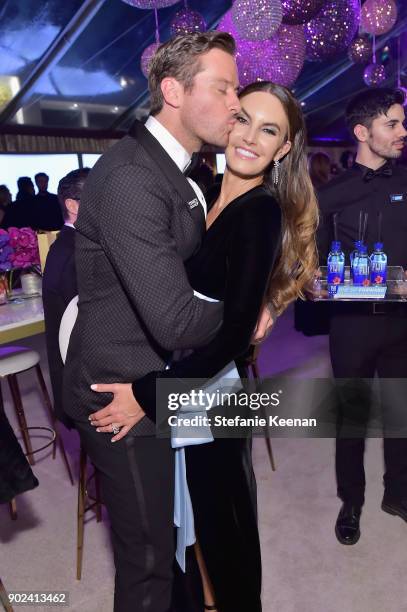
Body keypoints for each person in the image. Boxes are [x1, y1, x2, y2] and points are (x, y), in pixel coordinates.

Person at [62, 32, 276, 612]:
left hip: (158, 381)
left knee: (182, 539)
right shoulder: (134, 177)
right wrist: (244, 307)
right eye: (224, 87)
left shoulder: (180, 168)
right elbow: (179, 319)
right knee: (150, 562)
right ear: (173, 90)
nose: (237, 104)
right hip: (120, 390)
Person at [88, 82, 319, 611]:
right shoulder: (201, 189)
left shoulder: (260, 211)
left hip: (213, 393)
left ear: (283, 148)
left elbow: (234, 335)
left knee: (225, 529)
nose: (250, 138)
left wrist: (150, 393)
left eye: (270, 131)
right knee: (188, 523)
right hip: (191, 379)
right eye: (243, 120)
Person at [317, 88, 407, 545]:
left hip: (403, 326)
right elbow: (310, 270)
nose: (403, 132)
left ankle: (399, 492)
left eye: (402, 123)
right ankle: (351, 500)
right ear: (361, 132)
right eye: (392, 124)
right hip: (352, 325)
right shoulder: (329, 195)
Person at [42, 168, 90, 430]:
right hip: (88, 388)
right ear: (72, 205)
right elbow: (85, 335)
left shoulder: (73, 245)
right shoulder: (74, 255)